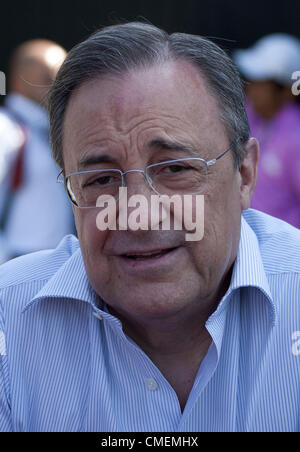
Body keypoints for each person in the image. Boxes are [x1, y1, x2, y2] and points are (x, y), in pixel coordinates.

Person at [0, 22, 299, 433]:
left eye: (175, 169)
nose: (138, 213)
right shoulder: (7, 322)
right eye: (101, 180)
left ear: (244, 174)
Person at [0, 39, 74, 263]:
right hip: (16, 262)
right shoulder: (5, 128)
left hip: (54, 262)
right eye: (48, 75)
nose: (57, 83)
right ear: (19, 79)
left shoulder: (49, 131)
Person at [233, 34, 300, 228]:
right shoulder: (246, 115)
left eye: (263, 81)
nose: (253, 88)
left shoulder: (296, 138)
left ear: (286, 90)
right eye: (252, 79)